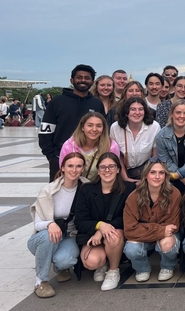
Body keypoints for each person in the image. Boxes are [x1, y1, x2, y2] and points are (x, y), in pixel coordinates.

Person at [27, 153, 87, 298]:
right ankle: (41, 281)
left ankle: (60, 267)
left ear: (83, 168)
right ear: (63, 168)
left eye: (78, 166)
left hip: (69, 236)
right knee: (49, 236)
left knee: (66, 260)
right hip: (43, 238)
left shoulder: (87, 187)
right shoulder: (48, 191)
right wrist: (50, 224)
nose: (74, 170)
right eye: (70, 166)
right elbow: (38, 223)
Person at [74, 152, 135, 291]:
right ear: (98, 169)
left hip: (116, 233)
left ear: (118, 169)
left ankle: (113, 270)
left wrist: (105, 230)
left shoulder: (128, 189)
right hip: (93, 234)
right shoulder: (87, 190)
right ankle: (103, 264)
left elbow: (128, 217)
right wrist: (100, 226)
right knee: (91, 262)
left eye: (111, 166)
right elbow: (80, 221)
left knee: (112, 237)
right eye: (103, 167)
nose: (107, 170)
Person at [39, 64, 105, 181]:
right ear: (72, 80)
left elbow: (102, 130)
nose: (83, 80)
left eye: (87, 78)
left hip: (90, 162)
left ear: (92, 81)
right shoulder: (57, 102)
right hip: (61, 159)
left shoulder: (96, 103)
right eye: (79, 77)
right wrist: (52, 157)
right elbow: (46, 130)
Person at [123, 161, 181, 282]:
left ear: (166, 176)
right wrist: (160, 230)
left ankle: (167, 267)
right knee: (131, 249)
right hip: (149, 235)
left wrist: (144, 227)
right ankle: (142, 268)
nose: (157, 176)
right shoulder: (133, 196)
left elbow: (173, 227)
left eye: (161, 173)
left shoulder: (174, 194)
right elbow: (129, 230)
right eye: (153, 172)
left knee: (167, 243)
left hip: (166, 235)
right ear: (145, 175)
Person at [110, 97, 161, 183]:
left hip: (146, 172)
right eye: (133, 109)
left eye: (140, 109)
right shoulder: (115, 128)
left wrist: (146, 178)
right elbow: (118, 157)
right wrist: (126, 178)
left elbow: (155, 156)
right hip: (123, 172)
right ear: (126, 113)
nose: (137, 113)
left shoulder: (154, 127)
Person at [59, 112, 120, 181]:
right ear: (82, 127)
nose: (94, 129)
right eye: (90, 125)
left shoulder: (111, 146)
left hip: (101, 186)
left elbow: (114, 172)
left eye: (99, 126)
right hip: (74, 184)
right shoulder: (69, 146)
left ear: (103, 128)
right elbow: (63, 170)